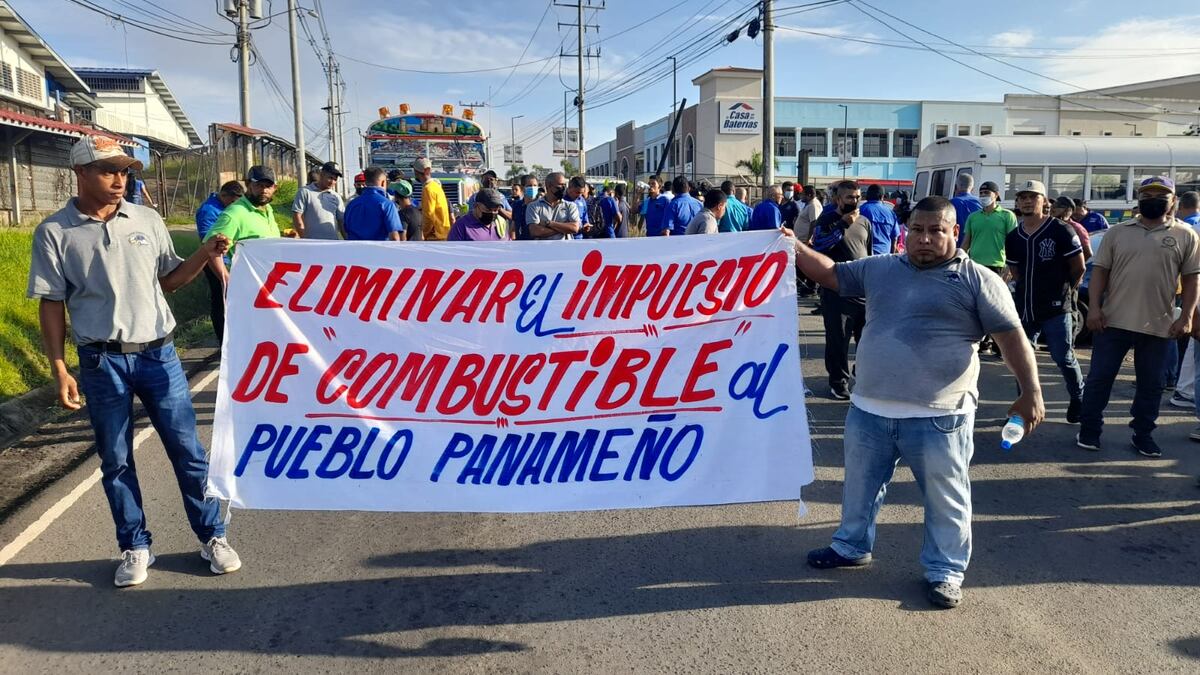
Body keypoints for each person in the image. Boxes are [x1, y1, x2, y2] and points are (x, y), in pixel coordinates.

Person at [797, 196, 1043, 609]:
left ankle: (944, 572)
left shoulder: (979, 279)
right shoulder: (881, 269)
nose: (924, 239)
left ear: (954, 233)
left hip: (940, 417)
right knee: (859, 488)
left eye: (936, 231)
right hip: (869, 411)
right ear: (905, 232)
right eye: (917, 230)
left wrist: (1030, 392)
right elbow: (833, 275)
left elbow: (1011, 337)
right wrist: (795, 246)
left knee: (946, 498)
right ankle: (851, 545)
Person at [27, 135, 241, 587]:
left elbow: (170, 281)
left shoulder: (146, 219)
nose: (119, 179)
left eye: (124, 171)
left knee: (188, 452)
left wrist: (205, 253)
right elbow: (51, 302)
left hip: (159, 354)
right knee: (116, 459)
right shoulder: (55, 231)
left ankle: (212, 536)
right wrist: (59, 366)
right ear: (80, 173)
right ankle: (135, 546)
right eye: (108, 170)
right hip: (101, 362)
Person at [1078, 177, 1200, 458]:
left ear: (1173, 202)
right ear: (1139, 199)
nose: (1154, 199)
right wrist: (1094, 308)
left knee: (1151, 385)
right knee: (1099, 379)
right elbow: (1099, 273)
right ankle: (1089, 430)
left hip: (1159, 324)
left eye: (1161, 195)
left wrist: (1188, 317)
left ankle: (1143, 434)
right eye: (1148, 194)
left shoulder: (1186, 235)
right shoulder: (1117, 232)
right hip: (1112, 321)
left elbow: (1192, 280)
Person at [1005, 180, 1086, 423]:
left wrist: (1064, 292)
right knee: (1021, 361)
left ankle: (1079, 397)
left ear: (1045, 202)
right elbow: (1016, 272)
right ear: (1017, 202)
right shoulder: (1014, 237)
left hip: (1056, 308)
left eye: (1033, 196)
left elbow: (1078, 267)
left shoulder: (1061, 230)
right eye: (1023, 197)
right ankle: (1024, 407)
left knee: (1064, 357)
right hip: (1025, 309)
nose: (1027, 201)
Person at [810, 180, 872, 400]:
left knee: (868, 340)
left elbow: (868, 253)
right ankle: (838, 382)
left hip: (863, 291)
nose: (854, 201)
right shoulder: (827, 220)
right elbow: (819, 246)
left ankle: (862, 374)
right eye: (849, 197)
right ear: (837, 199)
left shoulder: (865, 221)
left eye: (857, 197)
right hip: (836, 291)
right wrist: (842, 224)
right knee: (838, 341)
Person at [204, 165, 281, 288]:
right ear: (248, 184)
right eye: (259, 185)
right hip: (247, 286)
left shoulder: (267, 208)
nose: (264, 190)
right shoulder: (235, 213)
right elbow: (210, 251)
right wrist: (228, 281)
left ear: (275, 188)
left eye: (268, 186)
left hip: (269, 282)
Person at [194, 180, 244, 344]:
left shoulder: (225, 208)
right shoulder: (209, 211)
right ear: (223, 195)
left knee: (232, 300)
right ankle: (223, 340)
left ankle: (233, 336)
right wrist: (222, 271)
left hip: (230, 259)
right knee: (220, 299)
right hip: (215, 261)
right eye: (232, 201)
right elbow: (206, 241)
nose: (233, 205)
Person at [962, 181, 1017, 273]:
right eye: (981, 193)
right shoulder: (972, 216)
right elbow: (966, 243)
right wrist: (960, 261)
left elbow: (1014, 243)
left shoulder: (1007, 215)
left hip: (997, 265)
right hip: (974, 265)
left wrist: (1009, 266)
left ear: (996, 195)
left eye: (987, 192)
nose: (983, 195)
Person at [343, 166, 406, 241]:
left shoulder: (351, 204)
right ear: (383, 182)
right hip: (380, 251)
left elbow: (346, 231)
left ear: (365, 182)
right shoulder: (387, 205)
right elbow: (394, 237)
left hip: (355, 250)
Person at [291, 161, 345, 240]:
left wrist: (347, 241)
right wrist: (304, 240)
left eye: (335, 179)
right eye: (330, 178)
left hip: (333, 244)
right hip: (312, 245)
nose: (332, 182)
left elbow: (341, 221)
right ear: (322, 174)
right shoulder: (305, 192)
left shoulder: (336, 196)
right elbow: (297, 216)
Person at [527, 171, 581, 241]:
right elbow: (535, 231)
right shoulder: (533, 206)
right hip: (543, 250)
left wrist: (549, 223)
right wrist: (564, 228)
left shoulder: (571, 206)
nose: (563, 188)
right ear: (549, 186)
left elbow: (574, 228)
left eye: (564, 185)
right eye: (560, 185)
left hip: (565, 249)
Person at [857, 184, 902, 255]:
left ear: (866, 196)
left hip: (864, 257)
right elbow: (895, 238)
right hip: (884, 257)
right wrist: (891, 257)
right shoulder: (890, 213)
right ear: (882, 197)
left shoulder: (859, 211)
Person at [413, 157, 451, 240]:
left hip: (434, 236)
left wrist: (424, 233)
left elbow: (428, 215)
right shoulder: (436, 186)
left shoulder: (427, 189)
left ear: (416, 172)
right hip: (443, 232)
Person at [1051, 196, 1093, 261]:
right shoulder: (1049, 225)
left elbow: (1088, 253)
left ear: (1068, 210)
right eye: (1053, 206)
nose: (1053, 209)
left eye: (1057, 206)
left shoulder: (1077, 228)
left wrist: (1074, 267)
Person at [950, 173, 981, 246]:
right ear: (972, 188)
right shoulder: (981, 203)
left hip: (956, 248)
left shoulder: (950, 204)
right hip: (976, 248)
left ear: (956, 187)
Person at [511, 174, 539, 240]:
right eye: (529, 186)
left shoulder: (541, 205)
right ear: (523, 188)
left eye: (535, 185)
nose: (532, 188)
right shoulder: (517, 205)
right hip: (520, 244)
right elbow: (513, 227)